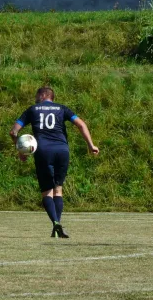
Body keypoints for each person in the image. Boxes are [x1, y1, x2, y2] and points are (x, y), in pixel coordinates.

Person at [10, 87, 99, 238]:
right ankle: (56, 228)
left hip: (43, 151)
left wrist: (21, 150)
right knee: (58, 189)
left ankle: (56, 223)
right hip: (62, 151)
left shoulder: (33, 110)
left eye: (37, 95)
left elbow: (13, 131)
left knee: (47, 192)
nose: (35, 98)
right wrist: (91, 145)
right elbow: (81, 124)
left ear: (44, 95)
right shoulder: (62, 109)